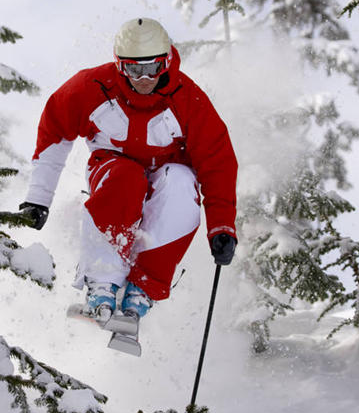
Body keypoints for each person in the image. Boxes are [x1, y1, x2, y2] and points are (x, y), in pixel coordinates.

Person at [19, 17, 237, 324]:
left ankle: (143, 287)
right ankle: (102, 281)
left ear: (167, 61)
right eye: (134, 69)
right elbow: (54, 133)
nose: (144, 78)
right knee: (126, 176)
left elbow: (218, 164)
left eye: (153, 68)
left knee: (181, 181)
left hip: (166, 179)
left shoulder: (189, 99)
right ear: (120, 65)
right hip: (113, 173)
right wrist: (38, 198)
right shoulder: (91, 87)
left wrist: (222, 227)